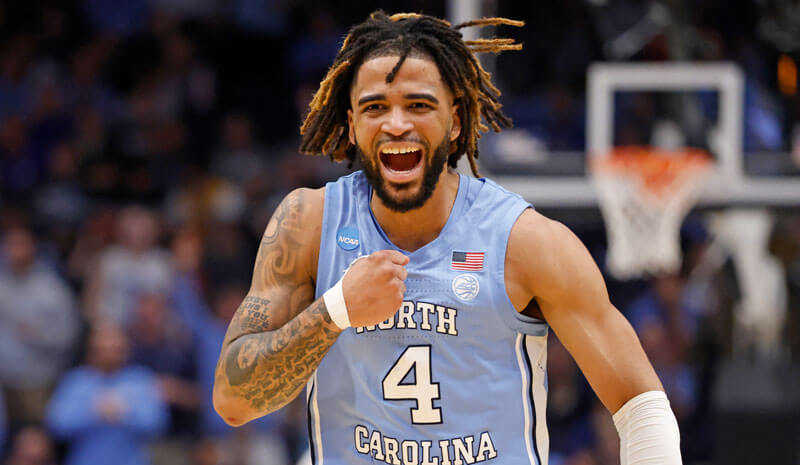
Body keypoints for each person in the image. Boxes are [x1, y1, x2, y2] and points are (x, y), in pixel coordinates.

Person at [213, 11, 682, 465]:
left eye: (418, 105)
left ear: (455, 121)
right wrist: (335, 312)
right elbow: (234, 400)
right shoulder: (309, 224)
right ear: (352, 125)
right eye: (375, 107)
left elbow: (641, 406)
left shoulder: (526, 242)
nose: (396, 124)